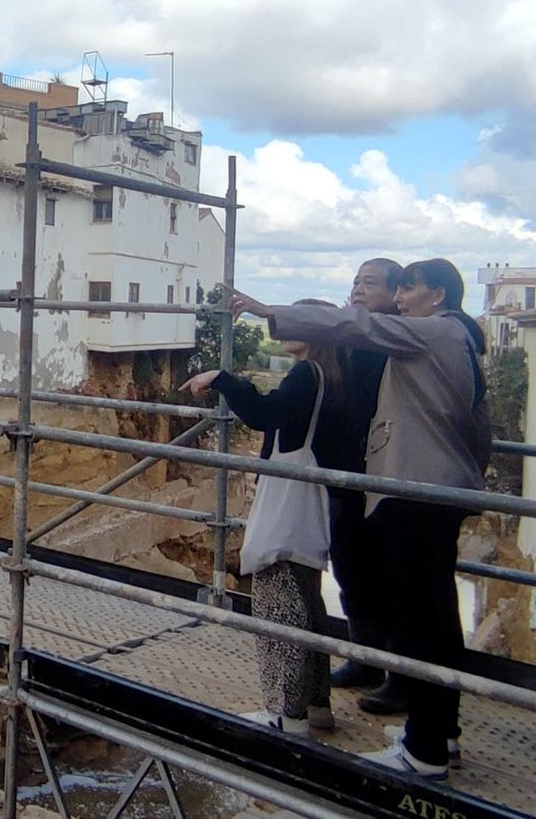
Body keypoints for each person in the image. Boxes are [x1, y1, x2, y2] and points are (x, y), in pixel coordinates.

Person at [228, 259, 489, 780]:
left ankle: (425, 751)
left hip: (415, 491)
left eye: (405, 290)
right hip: (425, 489)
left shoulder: (435, 331)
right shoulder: (458, 336)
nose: (398, 302)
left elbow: (358, 324)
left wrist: (266, 311)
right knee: (427, 616)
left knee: (422, 618)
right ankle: (438, 735)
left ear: (437, 295)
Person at [181, 300, 349, 736]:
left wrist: (221, 379)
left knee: (281, 603)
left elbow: (264, 413)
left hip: (288, 501)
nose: (284, 328)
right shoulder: (329, 375)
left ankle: (284, 713)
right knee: (307, 602)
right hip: (310, 497)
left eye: (295, 321)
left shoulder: (305, 374)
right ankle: (315, 705)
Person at [330, 259, 406, 712]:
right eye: (356, 281)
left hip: (385, 471)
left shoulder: (396, 337)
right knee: (351, 567)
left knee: (390, 574)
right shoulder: (353, 336)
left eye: (370, 283)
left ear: (394, 292)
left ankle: (401, 674)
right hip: (347, 470)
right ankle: (364, 658)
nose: (358, 289)